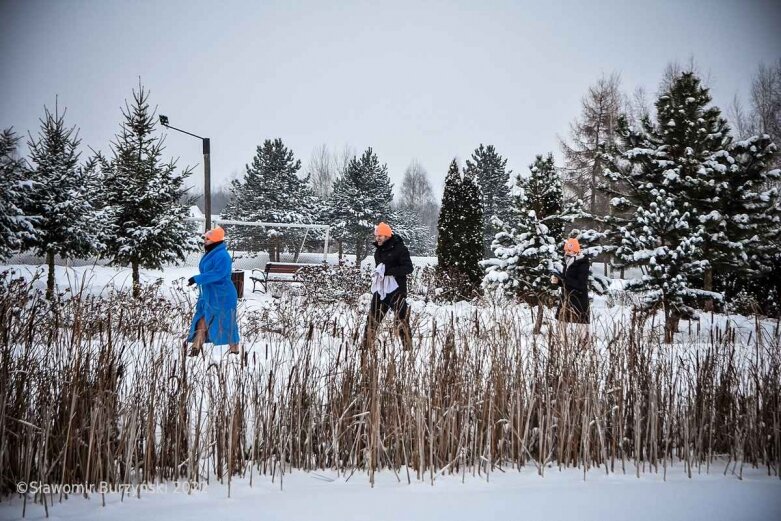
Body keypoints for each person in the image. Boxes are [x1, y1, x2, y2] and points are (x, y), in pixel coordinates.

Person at [186, 226, 240, 357]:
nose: (204, 240)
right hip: (209, 294)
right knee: (202, 319)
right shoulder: (212, 252)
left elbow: (219, 273)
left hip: (222, 295)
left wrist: (198, 278)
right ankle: (195, 350)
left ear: (215, 240)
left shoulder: (222, 255)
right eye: (205, 238)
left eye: (207, 238)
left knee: (227, 322)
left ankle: (235, 352)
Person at [363, 222, 414, 350]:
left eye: (381, 235)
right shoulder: (378, 251)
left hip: (396, 291)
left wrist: (388, 271)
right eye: (377, 235)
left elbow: (408, 268)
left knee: (402, 320)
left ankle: (408, 349)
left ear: (387, 236)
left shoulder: (400, 249)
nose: (378, 238)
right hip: (381, 291)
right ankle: (365, 347)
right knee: (372, 320)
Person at [551, 237, 590, 342]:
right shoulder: (567, 262)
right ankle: (561, 342)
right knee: (561, 321)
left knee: (581, 324)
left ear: (576, 250)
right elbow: (566, 281)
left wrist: (564, 279)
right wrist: (558, 281)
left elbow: (581, 284)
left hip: (579, 298)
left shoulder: (583, 264)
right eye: (566, 250)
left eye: (570, 250)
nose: (567, 252)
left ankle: (584, 343)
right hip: (566, 297)